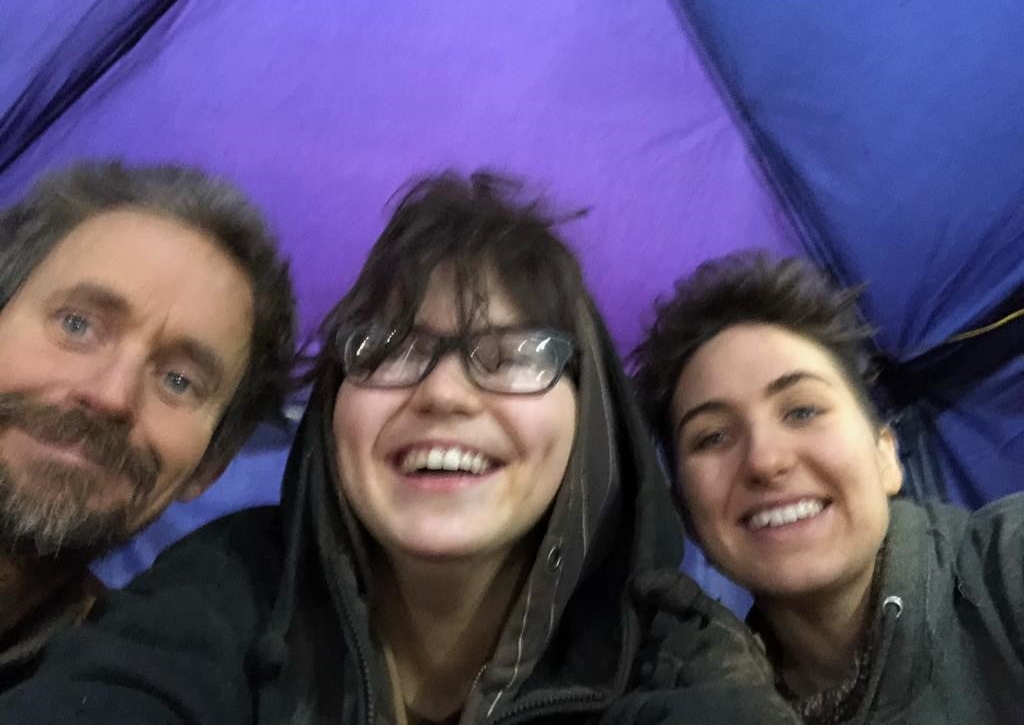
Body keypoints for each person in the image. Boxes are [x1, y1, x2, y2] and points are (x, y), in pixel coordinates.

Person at [0, 173, 800, 724]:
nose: (445, 393)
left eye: (515, 353)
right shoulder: (230, 585)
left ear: (590, 424)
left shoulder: (674, 652)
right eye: (388, 349)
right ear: (330, 412)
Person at [631, 252, 1024, 724]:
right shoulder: (697, 705)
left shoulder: (1007, 567)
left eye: (802, 411)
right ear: (688, 518)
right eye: (713, 437)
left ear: (885, 456)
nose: (765, 461)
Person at [0, 161, 296, 688]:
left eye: (179, 381)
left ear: (209, 466)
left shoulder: (115, 677)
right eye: (77, 324)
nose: (111, 395)